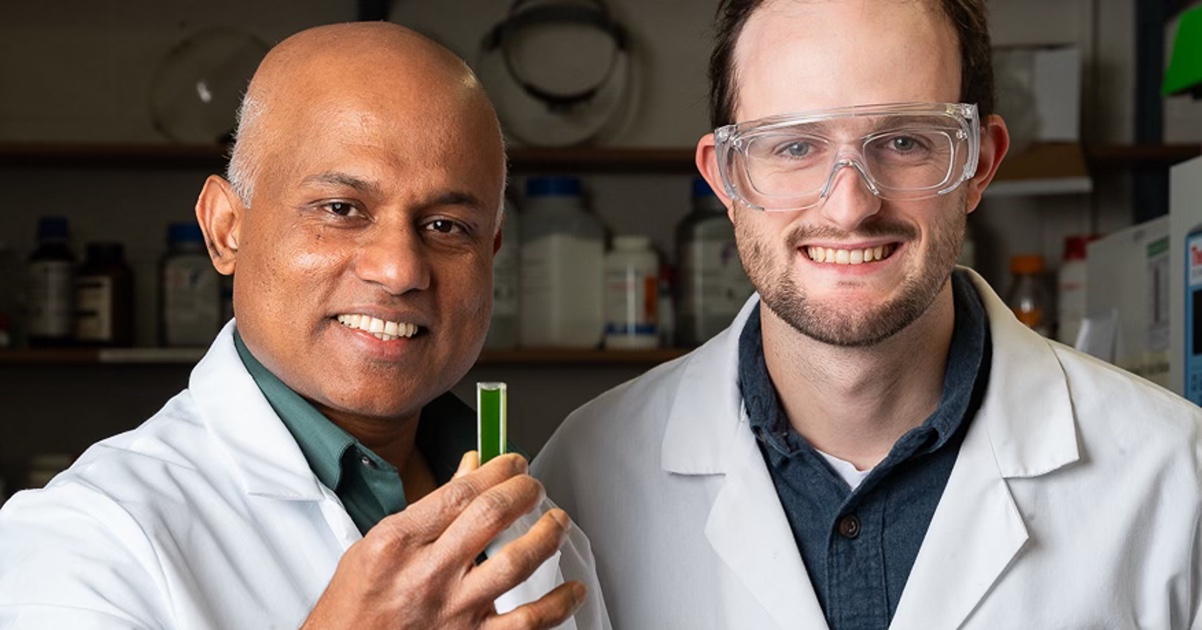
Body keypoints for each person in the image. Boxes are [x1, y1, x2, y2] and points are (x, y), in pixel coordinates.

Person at [532, 0, 1202, 628]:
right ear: (725, 180)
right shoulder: (582, 476)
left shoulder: (1176, 475)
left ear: (979, 163)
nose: (849, 207)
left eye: (905, 142)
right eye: (794, 147)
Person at [0, 23, 609, 630]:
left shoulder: (535, 521)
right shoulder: (88, 536)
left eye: (447, 225)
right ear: (224, 228)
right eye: (341, 209)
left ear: (491, 251)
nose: (399, 270)